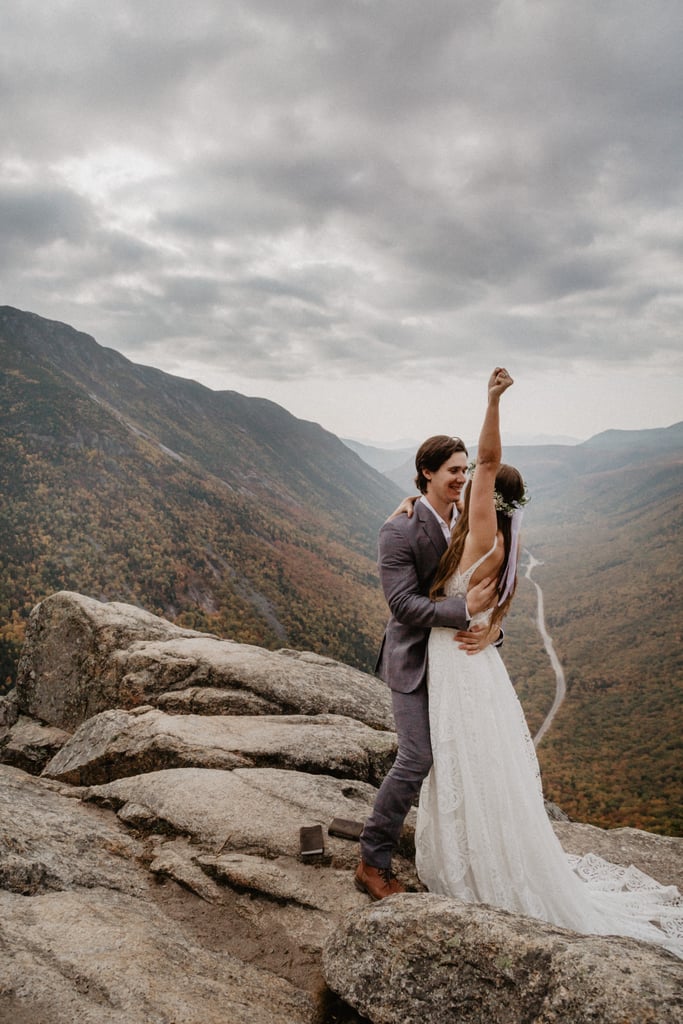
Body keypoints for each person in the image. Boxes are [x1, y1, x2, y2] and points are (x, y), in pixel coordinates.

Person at [415, 367, 683, 960]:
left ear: (491, 497)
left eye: (475, 486)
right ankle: (489, 855)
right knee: (477, 761)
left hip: (457, 658)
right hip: (474, 659)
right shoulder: (505, 546)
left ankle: (471, 867)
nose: (465, 489)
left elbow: (484, 462)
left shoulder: (481, 530)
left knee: (460, 757)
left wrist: (492, 400)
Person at [355, 433, 501, 900]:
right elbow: (402, 604)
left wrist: (492, 631)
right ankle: (371, 858)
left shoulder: (469, 520)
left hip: (456, 664)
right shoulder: (397, 529)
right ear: (427, 474)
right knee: (418, 757)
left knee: (467, 759)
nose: (463, 477)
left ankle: (460, 855)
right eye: (454, 470)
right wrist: (461, 612)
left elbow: (488, 587)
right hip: (414, 661)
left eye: (465, 470)